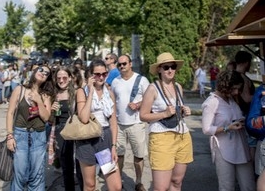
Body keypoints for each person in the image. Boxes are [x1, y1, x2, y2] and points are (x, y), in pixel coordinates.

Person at [139, 52, 193, 191]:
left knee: (177, 182)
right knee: (161, 187)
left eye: (173, 66)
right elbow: (143, 115)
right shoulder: (152, 88)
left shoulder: (178, 87)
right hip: (161, 138)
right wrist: (164, 113)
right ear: (159, 69)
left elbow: (177, 111)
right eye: (166, 67)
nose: (170, 70)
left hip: (182, 136)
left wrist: (184, 111)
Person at [201, 70, 255, 191]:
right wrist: (227, 128)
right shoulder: (212, 102)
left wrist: (242, 122)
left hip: (240, 146)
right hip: (223, 148)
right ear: (226, 86)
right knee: (227, 186)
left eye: (238, 89)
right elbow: (206, 129)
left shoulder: (231, 100)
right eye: (234, 88)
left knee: (249, 185)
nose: (236, 92)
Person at [76, 59, 122, 191]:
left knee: (116, 186)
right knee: (90, 185)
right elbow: (84, 118)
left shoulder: (110, 93)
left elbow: (113, 122)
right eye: (97, 74)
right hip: (86, 139)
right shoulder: (82, 92)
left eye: (104, 74)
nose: (101, 77)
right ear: (90, 75)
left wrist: (113, 146)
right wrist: (90, 91)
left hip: (104, 138)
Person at [6, 65, 54, 190]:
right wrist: (9, 136)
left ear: (47, 79)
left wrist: (38, 100)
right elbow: (10, 113)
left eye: (47, 73)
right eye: (41, 70)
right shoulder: (19, 90)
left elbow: (46, 117)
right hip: (20, 135)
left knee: (37, 176)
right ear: (34, 72)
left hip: (38, 136)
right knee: (20, 174)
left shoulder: (46, 95)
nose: (43, 73)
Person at [111, 55, 149, 191]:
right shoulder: (115, 81)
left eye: (124, 64)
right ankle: (118, 182)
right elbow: (112, 102)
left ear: (130, 64)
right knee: (119, 155)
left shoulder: (142, 80)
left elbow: (150, 99)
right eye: (119, 65)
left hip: (136, 123)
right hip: (119, 124)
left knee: (138, 155)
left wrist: (138, 104)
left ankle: (138, 182)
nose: (122, 66)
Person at [51, 66, 83, 191]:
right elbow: (49, 119)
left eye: (64, 77)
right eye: (59, 78)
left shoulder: (76, 92)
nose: (61, 80)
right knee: (66, 165)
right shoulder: (54, 94)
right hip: (60, 131)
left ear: (70, 78)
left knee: (80, 164)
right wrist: (51, 110)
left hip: (75, 129)